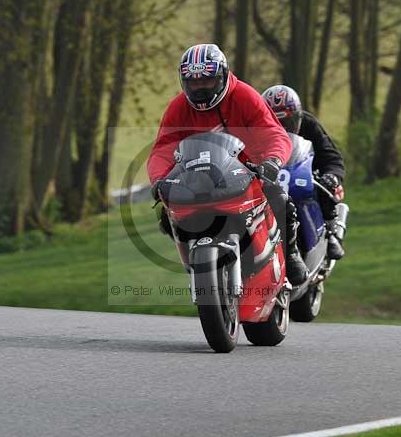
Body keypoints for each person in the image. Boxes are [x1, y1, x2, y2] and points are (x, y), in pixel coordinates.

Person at [147, 44, 308, 285]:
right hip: (198, 178)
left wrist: (271, 162)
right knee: (166, 213)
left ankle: (291, 253)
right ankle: (195, 259)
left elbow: (273, 133)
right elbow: (163, 148)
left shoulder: (244, 96)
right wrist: (159, 179)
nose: (200, 88)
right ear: (184, 81)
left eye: (207, 82)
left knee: (279, 197)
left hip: (247, 174)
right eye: (193, 83)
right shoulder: (178, 107)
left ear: (222, 76)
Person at [261, 84, 346, 260]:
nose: (282, 129)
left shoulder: (309, 124)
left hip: (301, 173)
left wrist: (332, 176)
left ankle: (330, 233)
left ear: (298, 117)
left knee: (325, 185)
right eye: (274, 124)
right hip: (267, 178)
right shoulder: (253, 129)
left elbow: (330, 156)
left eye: (286, 122)